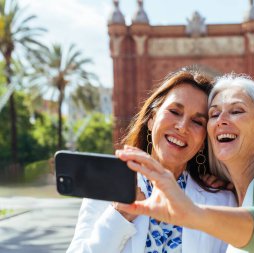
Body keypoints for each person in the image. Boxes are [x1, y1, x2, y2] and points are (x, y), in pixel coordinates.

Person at [116, 73, 254, 253]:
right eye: (214, 114)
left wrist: (193, 214)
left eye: (236, 111)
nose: (221, 120)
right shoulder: (231, 197)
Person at [67, 70, 236, 253]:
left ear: (204, 140)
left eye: (197, 122)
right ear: (151, 119)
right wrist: (119, 215)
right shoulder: (106, 185)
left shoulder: (221, 202)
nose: (182, 127)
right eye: (174, 111)